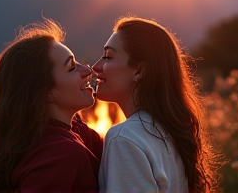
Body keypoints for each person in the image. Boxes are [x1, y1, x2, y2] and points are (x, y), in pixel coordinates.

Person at [0, 17, 102, 193]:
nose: (88, 70)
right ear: (46, 91)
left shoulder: (37, 137)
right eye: (72, 68)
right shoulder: (61, 154)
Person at [92, 16, 219, 193]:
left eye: (108, 56)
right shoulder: (170, 132)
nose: (95, 66)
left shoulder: (124, 138)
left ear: (139, 71)